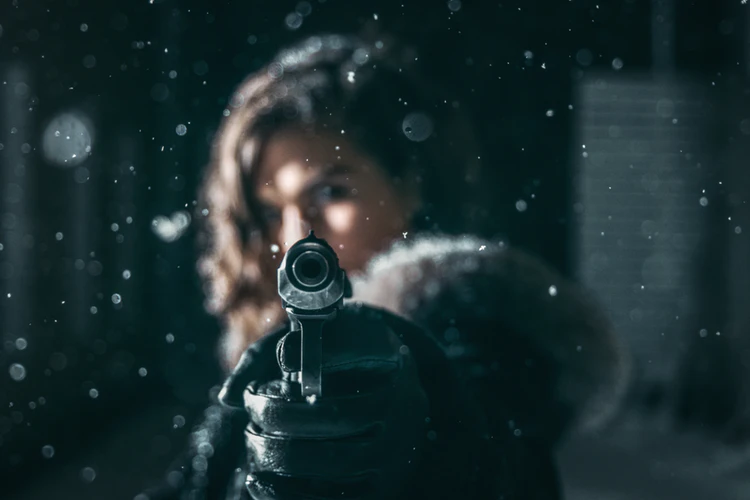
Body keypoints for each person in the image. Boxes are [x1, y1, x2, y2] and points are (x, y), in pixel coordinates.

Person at [144, 33, 630, 500]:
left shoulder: (474, 335)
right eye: (270, 212)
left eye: (330, 192)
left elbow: (490, 456)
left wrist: (406, 427)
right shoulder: (274, 354)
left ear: (410, 185)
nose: (296, 236)